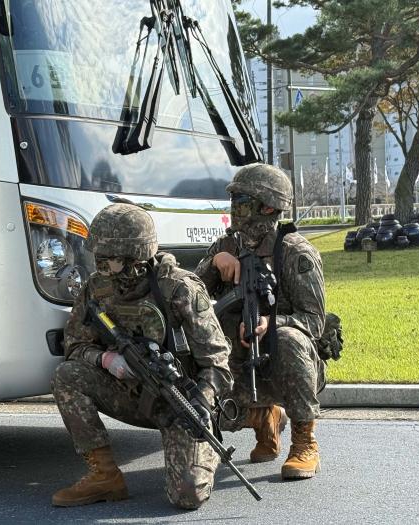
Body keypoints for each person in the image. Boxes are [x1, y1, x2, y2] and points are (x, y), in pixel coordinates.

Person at [51, 203, 233, 509]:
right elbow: (74, 346)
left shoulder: (180, 289)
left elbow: (217, 363)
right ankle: (104, 475)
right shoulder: (96, 288)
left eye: (107, 260)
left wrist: (201, 402)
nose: (100, 265)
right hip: (132, 394)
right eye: (99, 257)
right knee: (67, 375)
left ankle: (207, 451)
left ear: (134, 257)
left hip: (180, 403)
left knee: (187, 495)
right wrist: (107, 360)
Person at [194, 163, 326, 480]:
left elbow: (314, 321)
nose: (235, 206)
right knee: (213, 410)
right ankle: (264, 417)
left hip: (283, 362)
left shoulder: (294, 252)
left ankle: (304, 442)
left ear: (267, 205)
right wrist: (213, 263)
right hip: (236, 359)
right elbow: (188, 298)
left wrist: (271, 323)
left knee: (290, 338)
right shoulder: (226, 245)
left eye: (242, 199)